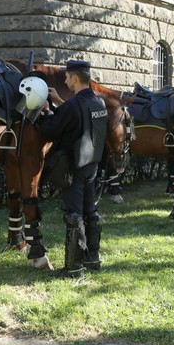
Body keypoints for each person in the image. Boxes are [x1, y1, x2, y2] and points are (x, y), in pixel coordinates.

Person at [39, 60, 108, 278]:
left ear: (75, 78)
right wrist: (60, 103)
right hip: (92, 166)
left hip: (74, 167)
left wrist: (48, 110)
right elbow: (81, 119)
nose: (65, 81)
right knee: (91, 213)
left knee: (73, 216)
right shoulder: (99, 103)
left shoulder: (72, 107)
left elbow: (50, 130)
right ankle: (92, 259)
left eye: (67, 78)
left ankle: (74, 268)